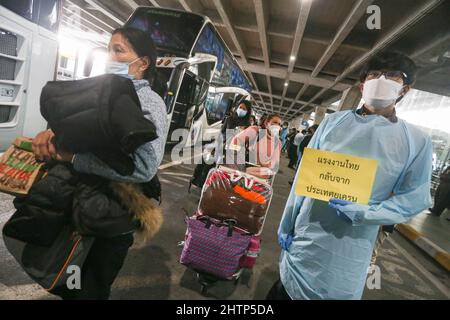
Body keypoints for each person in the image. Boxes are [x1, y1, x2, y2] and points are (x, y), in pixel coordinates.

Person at [270, 51, 433, 300]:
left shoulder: (416, 141)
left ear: (405, 89)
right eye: (374, 74)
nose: (381, 79)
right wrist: (287, 222)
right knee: (284, 291)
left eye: (392, 76)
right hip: (307, 231)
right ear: (362, 85)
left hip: (352, 244)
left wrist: (368, 213)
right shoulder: (332, 122)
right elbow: (304, 176)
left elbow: (414, 198)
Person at [32, 27, 168, 299]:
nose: (110, 57)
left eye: (119, 50)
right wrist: (50, 135)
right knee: (68, 282)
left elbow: (144, 166)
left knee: (90, 290)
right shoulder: (99, 90)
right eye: (108, 49)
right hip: (79, 207)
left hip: (111, 218)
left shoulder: (149, 103)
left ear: (142, 63)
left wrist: (75, 158)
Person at [190, 101, 253, 189]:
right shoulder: (229, 119)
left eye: (244, 109)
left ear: (248, 111)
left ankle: (212, 188)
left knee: (219, 169)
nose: (241, 110)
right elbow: (221, 134)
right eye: (240, 107)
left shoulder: (247, 126)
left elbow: (246, 142)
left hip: (234, 153)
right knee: (206, 162)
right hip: (222, 147)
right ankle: (201, 185)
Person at [230, 113, 282, 178]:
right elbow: (236, 140)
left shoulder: (278, 143)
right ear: (266, 123)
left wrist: (266, 166)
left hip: (259, 174)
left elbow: (274, 165)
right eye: (274, 122)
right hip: (244, 165)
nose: (277, 126)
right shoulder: (256, 131)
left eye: (279, 124)